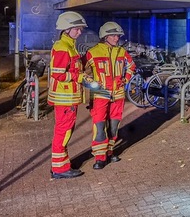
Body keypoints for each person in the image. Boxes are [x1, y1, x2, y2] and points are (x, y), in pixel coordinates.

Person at [85, 22, 135, 170]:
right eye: (113, 35)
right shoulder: (93, 52)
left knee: (114, 126)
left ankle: (110, 152)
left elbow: (132, 66)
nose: (117, 37)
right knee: (100, 126)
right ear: (105, 36)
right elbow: (81, 70)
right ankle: (100, 158)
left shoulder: (121, 51)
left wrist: (125, 79)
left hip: (118, 95)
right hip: (100, 95)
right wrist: (90, 82)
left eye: (118, 35)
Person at [48, 11, 88, 179]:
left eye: (80, 29)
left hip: (68, 98)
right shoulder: (63, 48)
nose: (80, 32)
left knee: (65, 131)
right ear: (66, 29)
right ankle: (60, 169)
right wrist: (79, 77)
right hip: (65, 98)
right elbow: (58, 74)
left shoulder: (68, 45)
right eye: (77, 29)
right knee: (63, 132)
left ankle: (61, 165)